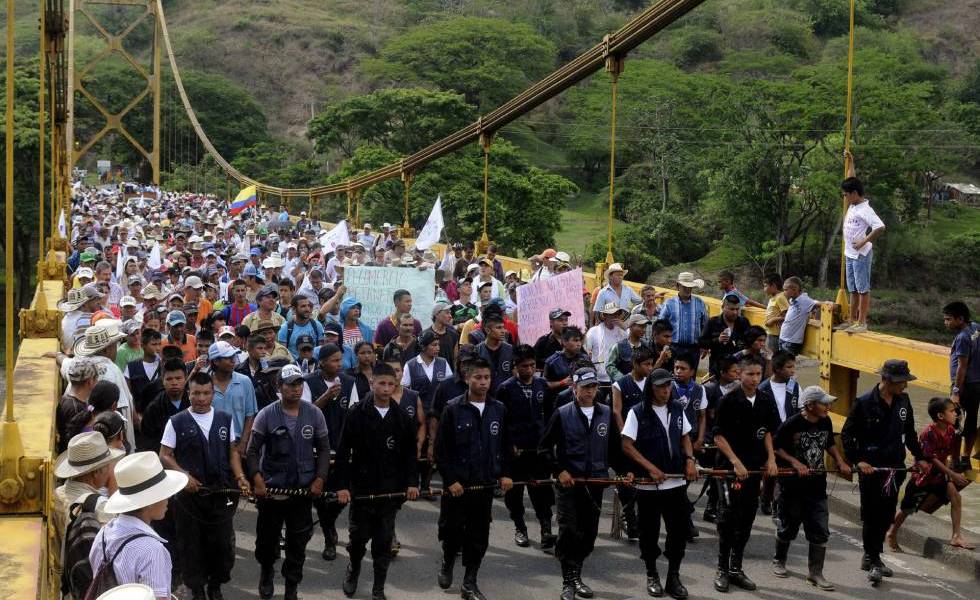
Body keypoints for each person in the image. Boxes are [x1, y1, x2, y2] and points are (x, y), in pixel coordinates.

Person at [539, 367, 630, 600]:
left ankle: (577, 574)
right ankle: (568, 581)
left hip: (595, 483)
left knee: (588, 535)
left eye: (593, 387)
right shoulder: (562, 413)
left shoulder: (606, 413)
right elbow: (544, 449)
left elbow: (613, 451)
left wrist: (624, 472)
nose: (590, 392)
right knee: (569, 531)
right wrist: (559, 471)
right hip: (570, 484)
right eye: (585, 387)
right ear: (574, 388)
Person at [159, 371, 249, 600]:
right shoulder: (176, 422)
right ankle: (197, 589)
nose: (201, 398)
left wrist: (240, 477)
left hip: (219, 495)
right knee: (191, 546)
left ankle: (216, 585)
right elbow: (165, 455)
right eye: (196, 393)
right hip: (189, 499)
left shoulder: (224, 419)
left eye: (206, 393)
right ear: (189, 394)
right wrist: (183, 475)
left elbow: (233, 453)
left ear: (212, 394)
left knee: (221, 544)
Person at [335, 363, 420, 600]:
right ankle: (353, 570)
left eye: (390, 384)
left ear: (396, 385)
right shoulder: (356, 413)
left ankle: (378, 587)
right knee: (358, 539)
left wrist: (412, 482)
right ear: (372, 383)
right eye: (381, 383)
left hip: (389, 491)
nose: (386, 388)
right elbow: (343, 453)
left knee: (383, 543)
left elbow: (409, 455)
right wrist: (342, 486)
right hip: (362, 489)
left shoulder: (402, 417)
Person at [840, 359, 929, 587]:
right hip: (872, 468)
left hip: (895, 467)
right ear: (887, 380)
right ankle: (872, 557)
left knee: (887, 514)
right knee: (871, 513)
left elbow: (909, 432)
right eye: (901, 382)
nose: (905, 386)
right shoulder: (863, 404)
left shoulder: (903, 401)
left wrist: (919, 457)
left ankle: (873, 555)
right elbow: (848, 436)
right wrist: (858, 460)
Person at [246, 364, 331, 600]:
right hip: (272, 490)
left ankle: (292, 586)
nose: (296, 389)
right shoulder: (266, 414)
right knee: (266, 541)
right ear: (279, 387)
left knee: (298, 542)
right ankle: (266, 571)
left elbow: (324, 449)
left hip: (302, 491)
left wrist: (320, 478)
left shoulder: (314, 413)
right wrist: (256, 478)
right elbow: (252, 451)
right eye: (290, 384)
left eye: (299, 384)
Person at [435, 358, 514, 600]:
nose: (482, 382)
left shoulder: (498, 409)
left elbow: (506, 445)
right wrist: (450, 480)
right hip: (458, 487)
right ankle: (448, 562)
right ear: (467, 379)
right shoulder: (452, 408)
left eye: (486, 378)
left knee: (479, 536)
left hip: (484, 485)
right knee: (452, 532)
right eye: (477, 378)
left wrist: (506, 474)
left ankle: (470, 582)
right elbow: (441, 450)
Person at [621, 369, 699, 599]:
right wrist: (649, 468)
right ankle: (652, 573)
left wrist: (690, 460)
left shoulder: (676, 408)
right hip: (648, 485)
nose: (666, 391)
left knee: (678, 532)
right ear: (650, 388)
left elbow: (685, 436)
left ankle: (673, 576)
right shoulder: (638, 412)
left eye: (668, 387)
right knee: (649, 533)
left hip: (675, 483)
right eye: (660, 387)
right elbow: (627, 445)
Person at [771, 385, 852, 590]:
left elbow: (829, 443)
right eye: (824, 403)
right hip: (792, 486)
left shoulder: (825, 421)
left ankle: (815, 573)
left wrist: (840, 461)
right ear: (810, 405)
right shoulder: (792, 424)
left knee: (819, 529)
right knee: (788, 526)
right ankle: (779, 560)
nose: (828, 407)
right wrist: (795, 463)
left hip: (817, 486)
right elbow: (776, 448)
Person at [711, 356, 779, 593]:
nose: (754, 379)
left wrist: (771, 458)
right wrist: (735, 462)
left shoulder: (765, 401)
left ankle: (736, 568)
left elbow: (769, 431)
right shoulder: (728, 401)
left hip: (753, 470)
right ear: (740, 374)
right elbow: (718, 436)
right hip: (730, 471)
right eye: (750, 374)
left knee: (747, 519)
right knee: (728, 518)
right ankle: (722, 568)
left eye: (758, 374)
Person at [89, 452, 188, 600]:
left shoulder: (104, 533)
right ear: (149, 501)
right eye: (163, 493)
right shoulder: (152, 551)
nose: (168, 498)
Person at [887, 397, 974, 552]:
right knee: (907, 508)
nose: (956, 414)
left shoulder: (951, 432)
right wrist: (951, 474)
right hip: (924, 476)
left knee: (956, 497)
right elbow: (931, 458)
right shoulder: (928, 433)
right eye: (952, 411)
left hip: (940, 475)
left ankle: (956, 536)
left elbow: (952, 455)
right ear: (940, 416)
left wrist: (952, 472)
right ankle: (892, 532)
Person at [496, 344, 555, 551]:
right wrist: (508, 445)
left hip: (538, 450)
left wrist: (548, 443)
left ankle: (546, 529)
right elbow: (501, 421)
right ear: (515, 366)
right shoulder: (505, 388)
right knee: (515, 493)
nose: (528, 370)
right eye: (524, 366)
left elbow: (549, 417)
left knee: (542, 491)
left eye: (532, 365)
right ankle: (520, 528)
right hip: (515, 452)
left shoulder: (542, 386)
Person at [303, 343, 357, 560]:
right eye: (334, 360)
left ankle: (329, 526)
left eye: (340, 360)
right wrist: (326, 396)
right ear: (322, 362)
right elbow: (306, 413)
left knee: (338, 497)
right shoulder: (309, 382)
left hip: (341, 447)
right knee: (318, 494)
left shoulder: (349, 382)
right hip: (315, 448)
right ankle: (328, 536)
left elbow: (354, 412)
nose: (339, 364)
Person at [54, 431, 124, 595]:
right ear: (96, 472)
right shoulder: (101, 507)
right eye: (107, 466)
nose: (110, 471)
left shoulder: (57, 494)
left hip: (62, 583)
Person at [610, 345, 657, 541]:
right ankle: (629, 518)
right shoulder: (620, 384)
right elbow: (616, 411)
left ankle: (642, 518)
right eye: (646, 364)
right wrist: (624, 435)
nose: (650, 367)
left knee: (645, 479)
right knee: (626, 480)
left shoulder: (650, 383)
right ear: (635, 364)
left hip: (645, 438)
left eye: (651, 364)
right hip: (626, 439)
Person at [840, 169, 885, 333]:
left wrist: (864, 240)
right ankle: (851, 320)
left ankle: (862, 322)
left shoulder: (865, 209)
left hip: (861, 254)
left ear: (854, 193)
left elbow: (880, 226)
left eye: (846, 194)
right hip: (850, 254)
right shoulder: (853, 205)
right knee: (852, 289)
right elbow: (851, 176)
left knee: (862, 288)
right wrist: (850, 160)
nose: (844, 197)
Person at [756, 350, 798, 514]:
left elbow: (798, 408)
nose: (793, 370)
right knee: (770, 473)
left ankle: (779, 504)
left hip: (787, 437)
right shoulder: (763, 388)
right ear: (778, 369)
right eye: (789, 367)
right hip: (768, 437)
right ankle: (766, 498)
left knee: (785, 472)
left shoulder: (793, 386)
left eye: (793, 366)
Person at [943, 301, 980, 464]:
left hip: (965, 385)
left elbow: (961, 367)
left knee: (955, 422)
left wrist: (956, 391)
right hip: (977, 382)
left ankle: (955, 459)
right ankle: (966, 458)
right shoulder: (975, 327)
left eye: (948, 319)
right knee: (971, 420)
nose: (946, 323)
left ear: (960, 319)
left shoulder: (962, 337)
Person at [208, 341, 258, 451]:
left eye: (233, 356)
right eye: (228, 357)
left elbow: (250, 415)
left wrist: (243, 443)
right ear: (216, 361)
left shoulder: (244, 381)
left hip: (237, 442)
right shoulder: (205, 384)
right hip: (211, 443)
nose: (233, 360)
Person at [138, 359, 189, 454]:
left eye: (178, 378)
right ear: (162, 380)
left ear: (185, 378)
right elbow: (148, 442)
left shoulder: (193, 403)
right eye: (169, 379)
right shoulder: (154, 408)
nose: (174, 383)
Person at [659, 273, 709, 371]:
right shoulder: (669, 303)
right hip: (674, 348)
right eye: (684, 286)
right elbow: (661, 325)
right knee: (673, 376)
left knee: (691, 377)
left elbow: (705, 325)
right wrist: (664, 345)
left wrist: (705, 345)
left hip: (694, 349)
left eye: (690, 287)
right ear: (678, 286)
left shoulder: (699, 303)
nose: (687, 289)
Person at [583, 303, 627, 403]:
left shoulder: (622, 332)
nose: (614, 317)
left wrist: (624, 327)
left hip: (617, 377)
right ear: (604, 315)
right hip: (598, 378)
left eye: (616, 314)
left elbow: (633, 344)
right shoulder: (593, 331)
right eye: (611, 314)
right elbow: (585, 352)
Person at [700, 294, 751, 378]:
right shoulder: (712, 322)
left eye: (737, 309)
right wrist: (717, 340)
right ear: (723, 307)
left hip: (738, 369)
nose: (735, 312)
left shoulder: (744, 322)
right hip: (718, 369)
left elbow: (750, 341)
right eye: (731, 309)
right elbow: (702, 342)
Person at [57, 358, 101, 453]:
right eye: (96, 379)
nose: (97, 382)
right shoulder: (76, 409)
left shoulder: (66, 400)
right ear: (89, 382)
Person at [779, 276, 823, 355]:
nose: (783, 292)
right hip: (783, 338)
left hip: (791, 341)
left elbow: (818, 303)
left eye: (785, 290)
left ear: (794, 290)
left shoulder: (804, 300)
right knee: (782, 364)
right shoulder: (792, 300)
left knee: (786, 364)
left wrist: (831, 305)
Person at [125, 328, 163, 417]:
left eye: (159, 344)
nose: (157, 348)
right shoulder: (131, 367)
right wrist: (135, 416)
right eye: (153, 344)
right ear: (143, 345)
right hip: (141, 416)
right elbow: (128, 395)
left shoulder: (164, 366)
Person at [475, 312, 513, 396]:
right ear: (487, 330)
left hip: (507, 397)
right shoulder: (477, 351)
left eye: (503, 327)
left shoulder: (510, 349)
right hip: (485, 397)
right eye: (499, 328)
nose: (503, 331)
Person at [606, 313, 651, 383]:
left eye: (645, 327)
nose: (644, 330)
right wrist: (624, 380)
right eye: (641, 326)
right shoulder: (619, 346)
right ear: (631, 327)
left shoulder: (646, 346)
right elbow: (609, 366)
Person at [278, 294, 324, 359]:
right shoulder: (285, 328)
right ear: (294, 309)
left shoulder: (317, 325)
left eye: (308, 306)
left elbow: (321, 350)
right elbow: (283, 354)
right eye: (303, 306)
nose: (307, 309)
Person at [763, 273, 789, 353]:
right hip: (770, 332)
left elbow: (788, 314)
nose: (764, 289)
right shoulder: (773, 298)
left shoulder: (780, 297)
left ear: (773, 285)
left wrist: (773, 320)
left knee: (772, 358)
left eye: (765, 286)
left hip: (775, 335)